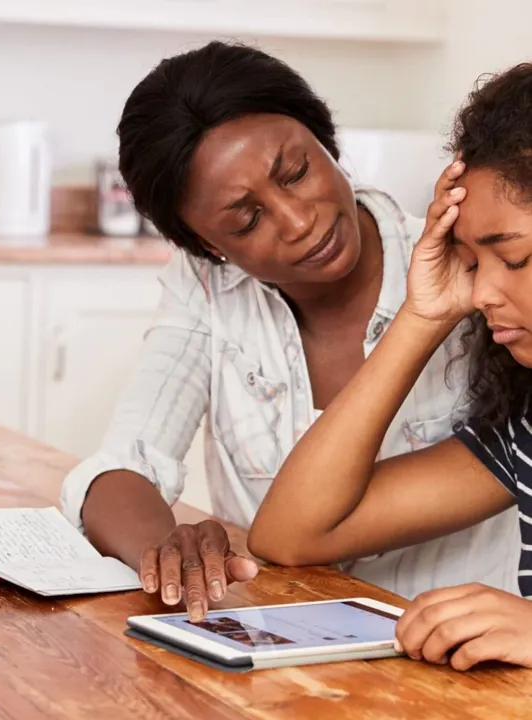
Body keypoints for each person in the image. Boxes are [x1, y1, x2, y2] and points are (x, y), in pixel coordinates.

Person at [61, 41, 519, 622]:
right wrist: (167, 549)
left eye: (297, 172)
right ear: (208, 246)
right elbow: (126, 461)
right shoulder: (208, 289)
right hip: (280, 643)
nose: (300, 221)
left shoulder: (470, 271)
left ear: (327, 141)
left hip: (453, 655)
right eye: (247, 219)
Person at [248, 62, 532, 671]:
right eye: (471, 267)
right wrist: (423, 317)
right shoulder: (526, 435)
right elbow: (292, 534)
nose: (481, 297)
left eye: (514, 257)